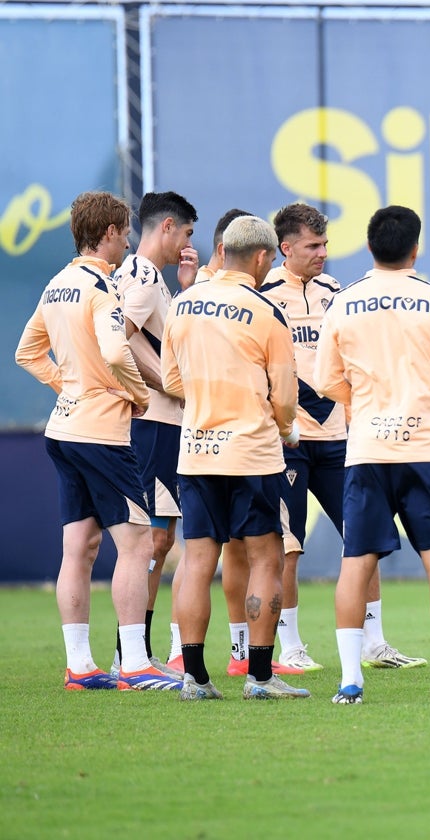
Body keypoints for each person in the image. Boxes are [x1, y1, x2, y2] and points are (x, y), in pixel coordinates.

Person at [315, 205, 430, 705]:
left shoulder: (344, 302)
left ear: (370, 248)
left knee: (355, 563)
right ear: (416, 248)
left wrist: (364, 408)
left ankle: (350, 682)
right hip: (426, 447)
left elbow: (326, 379)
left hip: (367, 446)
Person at [14, 190, 180, 691]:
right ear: (108, 234)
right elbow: (115, 348)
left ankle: (81, 666)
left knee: (79, 548)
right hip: (101, 434)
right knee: (135, 544)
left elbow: (27, 351)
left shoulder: (58, 284)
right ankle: (134, 662)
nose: (127, 240)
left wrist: (67, 386)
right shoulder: (101, 288)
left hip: (62, 429)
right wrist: (136, 394)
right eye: (124, 232)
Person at [261, 202, 425, 672]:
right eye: (313, 246)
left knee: (363, 538)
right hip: (286, 440)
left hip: (339, 441)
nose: (322, 254)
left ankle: (374, 643)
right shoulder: (265, 294)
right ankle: (289, 646)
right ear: (285, 248)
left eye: (326, 245)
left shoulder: (338, 292)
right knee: (287, 546)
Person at [162, 214, 309, 701]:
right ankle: (261, 677)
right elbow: (285, 396)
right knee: (265, 556)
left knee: (199, 558)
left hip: (197, 451)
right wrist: (285, 428)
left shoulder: (182, 305)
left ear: (222, 250)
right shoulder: (266, 312)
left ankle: (194, 678)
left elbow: (171, 382)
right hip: (252, 452)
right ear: (265, 257)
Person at [112, 191, 199, 678]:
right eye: (185, 233)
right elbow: (118, 338)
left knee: (160, 541)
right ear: (167, 226)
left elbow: (156, 337)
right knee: (148, 541)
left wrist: (185, 289)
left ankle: (136, 654)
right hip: (151, 425)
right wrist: (165, 383)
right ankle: (131, 656)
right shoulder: (142, 275)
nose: (187, 243)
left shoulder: (154, 280)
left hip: (162, 424)